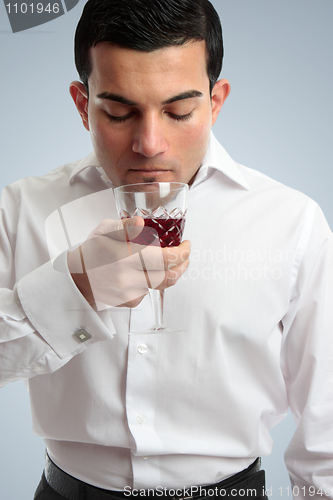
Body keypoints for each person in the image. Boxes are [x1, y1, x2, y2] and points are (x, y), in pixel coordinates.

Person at [0, 0, 332, 499]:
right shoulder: (21, 207)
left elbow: (326, 418)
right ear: (80, 102)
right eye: (118, 112)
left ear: (216, 102)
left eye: (179, 111)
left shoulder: (293, 221)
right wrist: (77, 288)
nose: (150, 143)